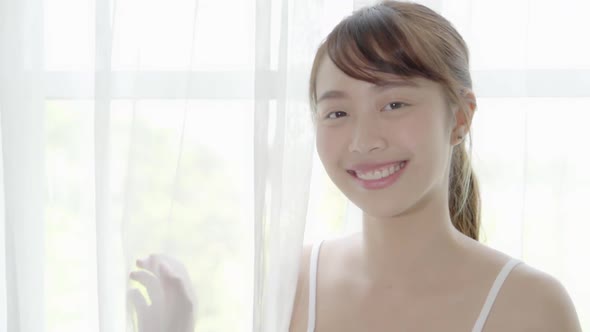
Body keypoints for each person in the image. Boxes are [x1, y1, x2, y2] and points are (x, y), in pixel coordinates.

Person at [128, 1, 582, 331]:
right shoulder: (294, 278)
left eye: (395, 103)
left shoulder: (531, 306)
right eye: (338, 113)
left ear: (460, 117)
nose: (364, 141)